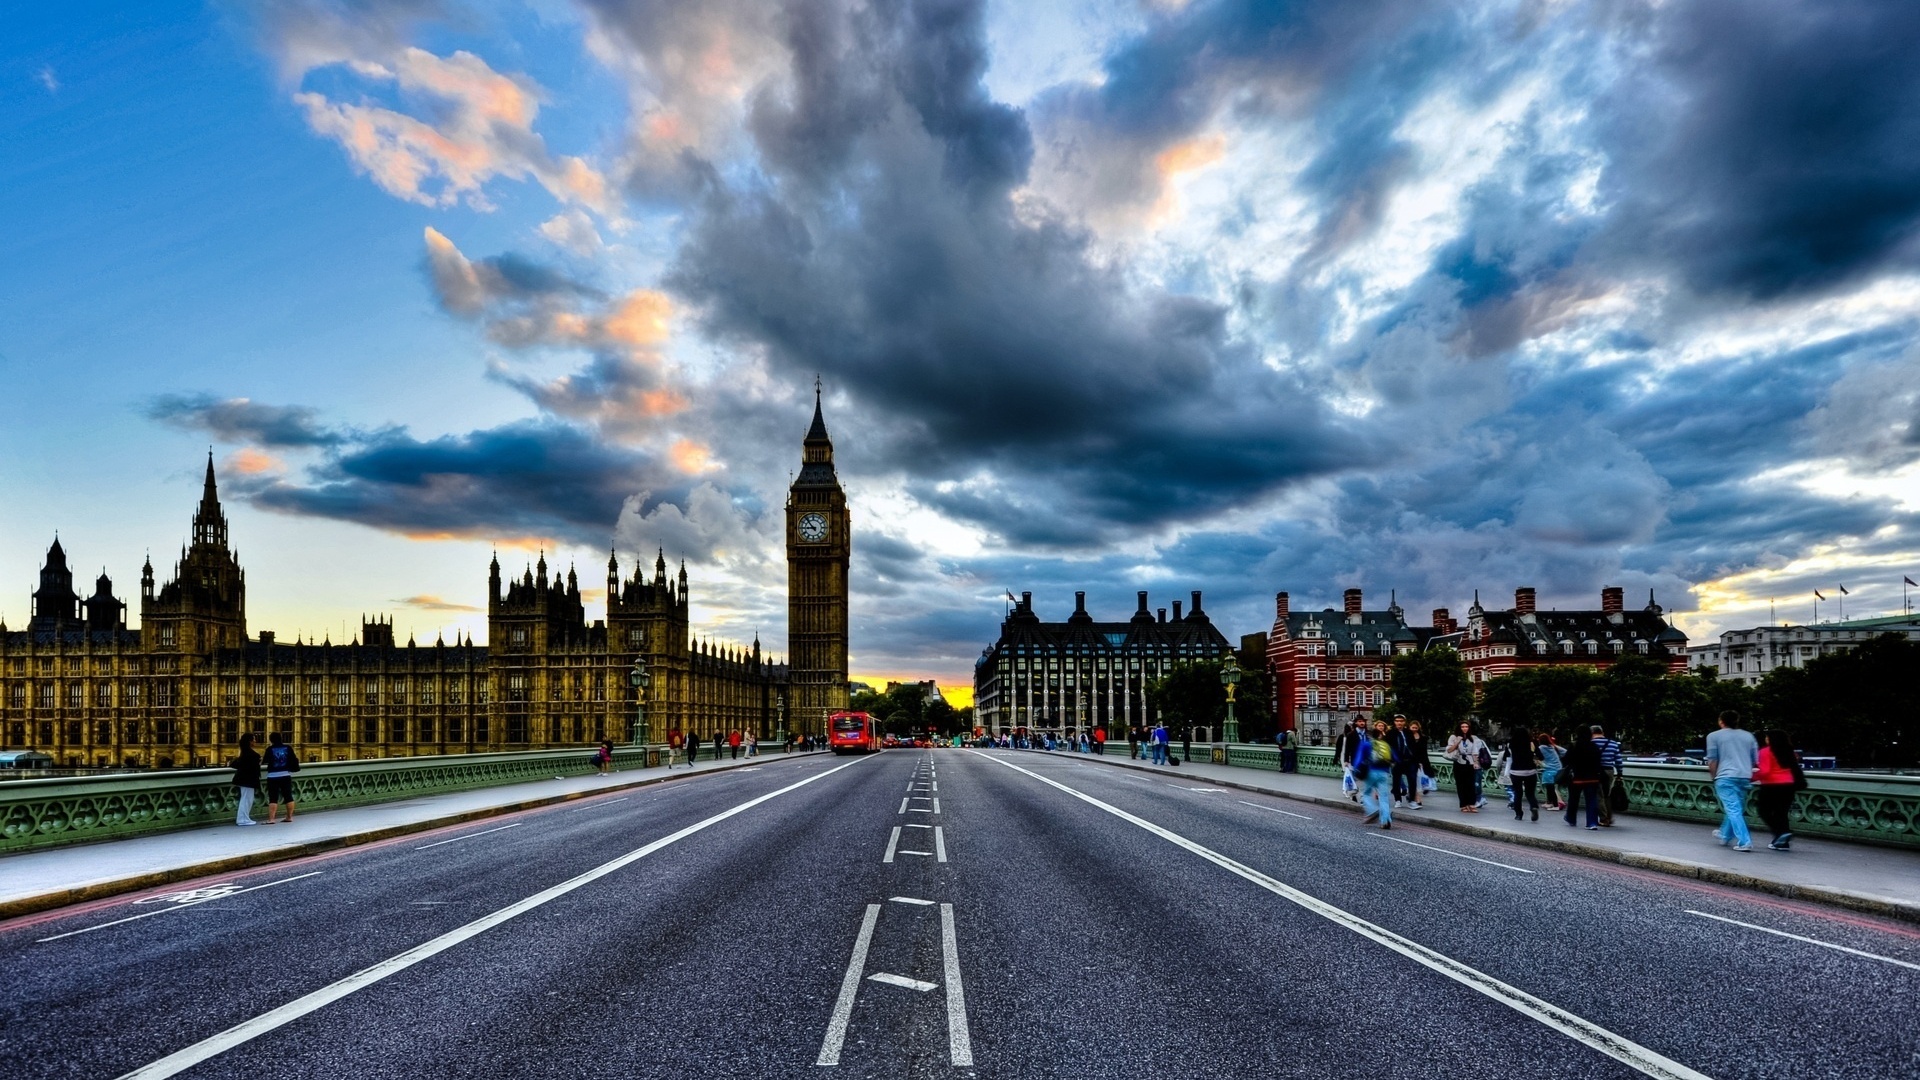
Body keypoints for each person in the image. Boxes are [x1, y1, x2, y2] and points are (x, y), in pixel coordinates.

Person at [1705, 710, 1759, 852]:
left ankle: (1744, 841)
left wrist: (1714, 777)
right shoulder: (1748, 736)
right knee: (1736, 808)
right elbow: (1754, 760)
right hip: (1744, 776)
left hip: (1725, 777)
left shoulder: (1714, 736)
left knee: (1733, 809)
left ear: (1721, 721)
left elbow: (1712, 760)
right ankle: (1725, 835)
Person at [1754, 729, 1805, 851]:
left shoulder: (1765, 751)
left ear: (1771, 739)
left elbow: (1765, 771)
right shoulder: (1789, 752)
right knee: (1781, 813)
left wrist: (1751, 778)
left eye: (1767, 737)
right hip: (1789, 786)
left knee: (1764, 811)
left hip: (1771, 786)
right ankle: (1782, 842)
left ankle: (1780, 833)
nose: (1765, 739)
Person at [1354, 718, 1397, 830]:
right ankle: (1386, 820)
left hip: (1371, 771)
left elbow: (1358, 760)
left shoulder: (1366, 744)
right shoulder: (1386, 745)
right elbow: (1395, 758)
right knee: (1384, 797)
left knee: (1366, 793)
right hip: (1384, 773)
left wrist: (1356, 770)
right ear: (1381, 736)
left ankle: (1373, 810)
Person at [1561, 728, 1603, 829]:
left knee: (1573, 799)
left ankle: (1571, 818)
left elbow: (1566, 760)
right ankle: (1592, 822)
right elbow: (1598, 762)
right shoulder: (1594, 746)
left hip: (1577, 777)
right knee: (1592, 800)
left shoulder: (1574, 746)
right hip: (1592, 778)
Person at [1445, 721, 1488, 813]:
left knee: (1471, 784)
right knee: (1461, 785)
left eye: (1466, 727)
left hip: (1470, 763)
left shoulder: (1472, 738)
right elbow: (1449, 750)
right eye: (1462, 727)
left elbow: (1475, 751)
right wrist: (1457, 742)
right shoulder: (1453, 737)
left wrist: (1476, 763)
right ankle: (1463, 804)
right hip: (1459, 762)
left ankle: (1471, 804)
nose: (1464, 728)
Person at [262, 732, 300, 824]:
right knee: (288, 797)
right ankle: (289, 817)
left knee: (273, 798)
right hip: (285, 775)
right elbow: (294, 759)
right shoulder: (288, 748)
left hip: (272, 776)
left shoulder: (270, 749)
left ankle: (271, 819)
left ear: (271, 740)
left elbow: (265, 761)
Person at [1505, 726, 1540, 821]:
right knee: (1530, 793)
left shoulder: (1510, 744)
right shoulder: (1532, 743)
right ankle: (1533, 806)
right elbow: (1541, 756)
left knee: (1518, 793)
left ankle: (1518, 814)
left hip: (1516, 772)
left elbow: (1505, 758)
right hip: (1530, 771)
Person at [1591, 725, 1624, 826]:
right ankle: (1609, 817)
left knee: (1598, 795)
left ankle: (1604, 818)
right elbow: (1618, 760)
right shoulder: (1613, 744)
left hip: (1595, 771)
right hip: (1609, 771)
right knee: (1607, 795)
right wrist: (1619, 773)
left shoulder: (1591, 743)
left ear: (1592, 733)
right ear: (1602, 732)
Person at [232, 733, 262, 827]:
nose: (255, 741)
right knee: (246, 799)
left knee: (246, 799)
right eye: (254, 739)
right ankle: (242, 819)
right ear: (250, 741)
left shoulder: (244, 751)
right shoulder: (250, 754)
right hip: (247, 779)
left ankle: (244, 818)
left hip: (244, 779)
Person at [1388, 715, 1417, 809]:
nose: (1399, 723)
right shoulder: (1391, 733)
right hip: (1397, 761)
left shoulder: (1408, 732)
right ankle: (1397, 800)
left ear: (1404, 722)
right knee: (1396, 781)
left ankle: (1411, 800)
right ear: (1394, 722)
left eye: (1401, 721)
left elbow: (1413, 746)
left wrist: (1416, 760)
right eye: (1397, 721)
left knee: (1412, 781)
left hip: (1409, 760)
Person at [1334, 720, 1363, 801]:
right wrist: (1336, 758)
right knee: (1348, 774)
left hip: (1352, 757)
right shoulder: (1342, 737)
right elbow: (1338, 749)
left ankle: (1351, 791)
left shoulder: (1355, 736)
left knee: (1350, 775)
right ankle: (1347, 790)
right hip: (1345, 757)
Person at [1404, 721, 1430, 809]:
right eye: (1412, 728)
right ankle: (1416, 798)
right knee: (1413, 780)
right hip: (1410, 761)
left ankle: (1411, 795)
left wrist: (1423, 762)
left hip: (1420, 761)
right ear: (1409, 727)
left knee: (1418, 780)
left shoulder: (1423, 737)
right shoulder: (1406, 737)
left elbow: (1424, 751)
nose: (1414, 729)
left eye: (1416, 728)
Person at [1537, 733, 1564, 810]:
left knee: (1550, 787)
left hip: (1549, 768)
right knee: (1552, 787)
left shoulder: (1541, 748)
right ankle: (1550, 803)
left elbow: (1536, 755)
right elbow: (1565, 752)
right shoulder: (1553, 747)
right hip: (1559, 768)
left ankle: (1556, 804)